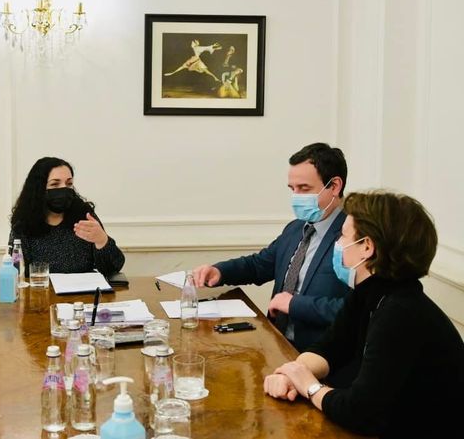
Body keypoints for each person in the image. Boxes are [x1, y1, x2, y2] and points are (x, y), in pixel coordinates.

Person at [263, 191, 464, 438]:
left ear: (367, 247)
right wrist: (292, 373)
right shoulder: (368, 293)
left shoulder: (401, 313)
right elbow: (331, 348)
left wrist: (310, 387)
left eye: (343, 235)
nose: (337, 243)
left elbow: (360, 412)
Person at [192, 143, 351, 351]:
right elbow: (259, 265)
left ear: (335, 186)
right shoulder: (295, 228)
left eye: (304, 189)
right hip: (276, 343)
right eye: (292, 189)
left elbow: (358, 309)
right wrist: (220, 271)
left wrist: (294, 305)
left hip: (320, 354)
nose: (296, 197)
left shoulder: (354, 237)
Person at [9, 157, 124, 278]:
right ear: (39, 189)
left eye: (69, 184)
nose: (64, 189)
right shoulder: (24, 223)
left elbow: (114, 268)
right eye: (54, 184)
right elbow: (15, 270)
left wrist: (102, 240)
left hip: (83, 289)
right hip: (41, 289)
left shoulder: (84, 215)